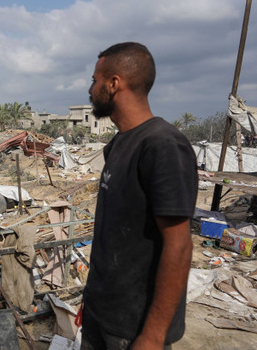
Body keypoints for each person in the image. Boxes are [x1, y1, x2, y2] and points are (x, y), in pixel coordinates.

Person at [81, 42, 197, 349]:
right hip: (100, 314)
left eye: (95, 81)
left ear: (114, 83)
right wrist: (91, 301)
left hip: (132, 329)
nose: (90, 90)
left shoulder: (162, 146)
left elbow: (180, 245)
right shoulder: (119, 144)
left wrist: (153, 335)